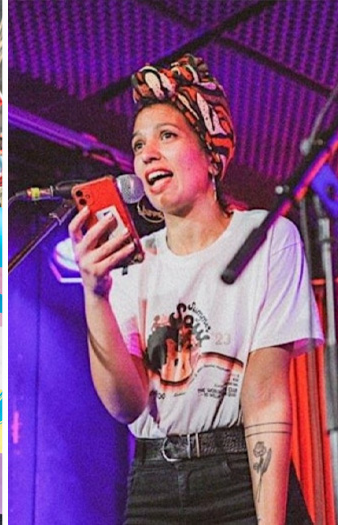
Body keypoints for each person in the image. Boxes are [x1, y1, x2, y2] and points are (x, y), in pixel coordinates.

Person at [68, 54, 320, 523]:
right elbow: (126, 405)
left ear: (210, 152)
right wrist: (95, 294)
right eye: (139, 144)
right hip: (154, 482)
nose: (147, 153)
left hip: (239, 476)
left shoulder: (265, 239)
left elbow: (265, 393)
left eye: (167, 135)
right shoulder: (133, 264)